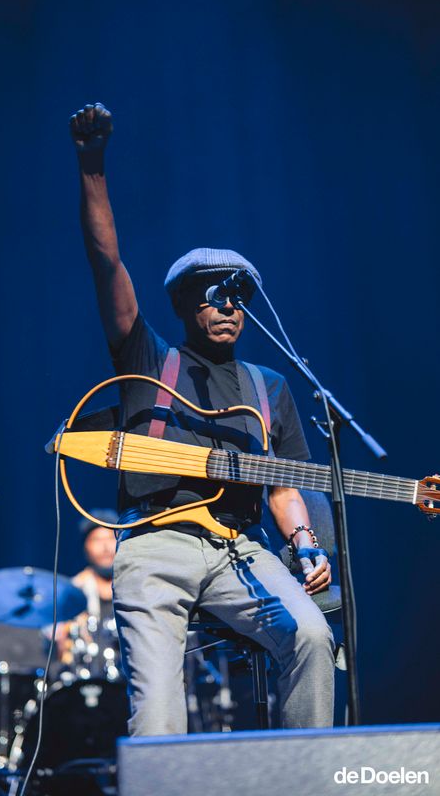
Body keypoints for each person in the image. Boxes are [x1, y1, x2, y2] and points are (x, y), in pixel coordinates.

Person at [68, 102, 335, 735]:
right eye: (214, 295)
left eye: (239, 297)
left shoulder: (268, 386)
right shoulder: (149, 359)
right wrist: (92, 166)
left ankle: (309, 774)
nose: (229, 307)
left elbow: (283, 484)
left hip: (239, 548)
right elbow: (106, 263)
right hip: (156, 544)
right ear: (186, 304)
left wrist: (304, 543)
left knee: (312, 637)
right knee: (161, 717)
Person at [55, 509, 119, 677]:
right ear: (86, 547)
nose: (105, 547)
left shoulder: (136, 588)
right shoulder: (73, 592)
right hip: (85, 679)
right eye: (97, 540)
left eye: (111, 538)